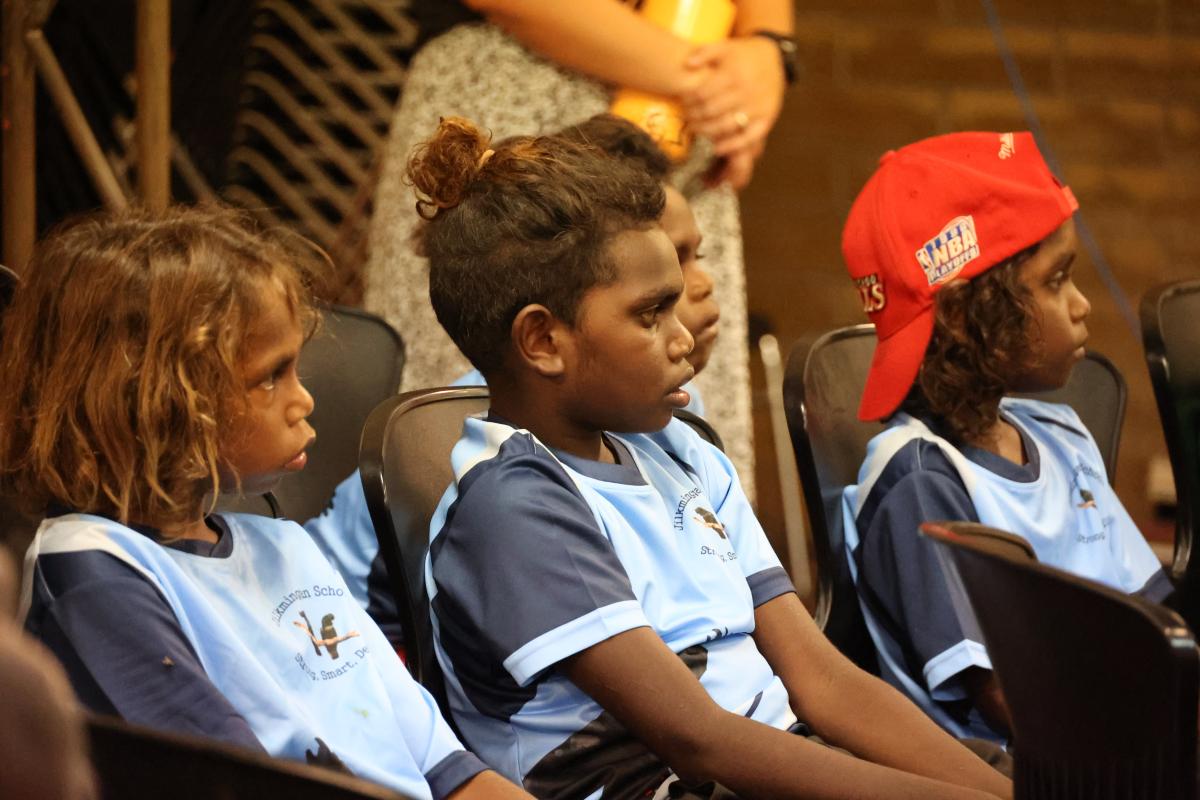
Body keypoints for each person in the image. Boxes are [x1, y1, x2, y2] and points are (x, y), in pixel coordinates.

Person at [410, 116, 1011, 799]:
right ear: (544, 340)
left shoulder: (680, 449)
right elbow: (698, 738)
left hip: (762, 757)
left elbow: (823, 680)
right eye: (650, 314)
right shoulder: (514, 504)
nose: (682, 339)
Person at [2, 206, 532, 800]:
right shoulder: (93, 571)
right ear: (160, 399)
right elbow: (237, 783)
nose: (303, 400)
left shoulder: (285, 546)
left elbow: (448, 771)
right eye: (272, 376)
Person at [366, 0, 796, 498]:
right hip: (518, 84)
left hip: (687, 108)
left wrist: (767, 48)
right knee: (487, 424)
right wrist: (705, 80)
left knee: (678, 404)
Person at [839, 131, 1172, 745]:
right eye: (1056, 280)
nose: (1081, 306)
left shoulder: (1061, 436)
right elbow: (1015, 703)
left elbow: (1155, 623)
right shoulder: (921, 480)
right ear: (965, 314)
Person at [454, 112, 720, 419]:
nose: (704, 284)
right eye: (651, 308)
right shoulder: (466, 419)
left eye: (696, 257)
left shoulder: (678, 406)